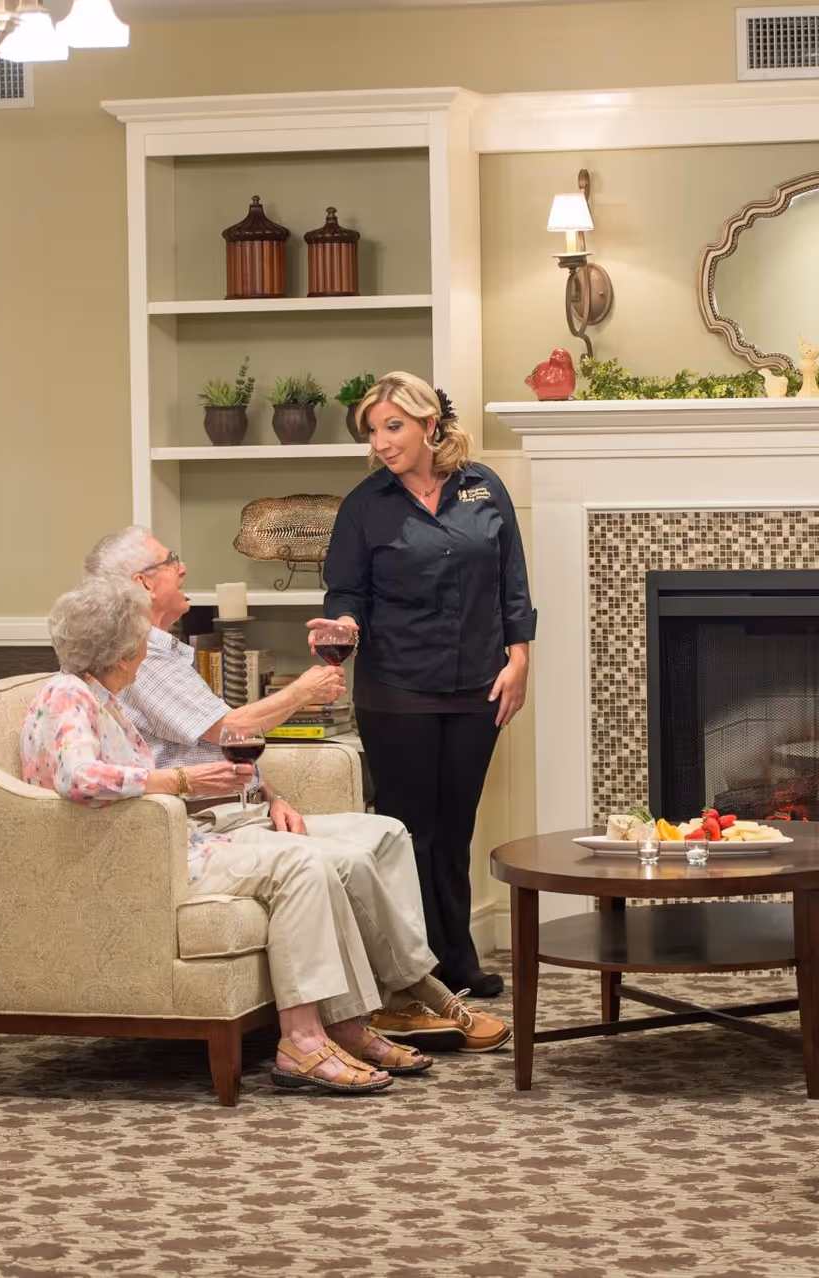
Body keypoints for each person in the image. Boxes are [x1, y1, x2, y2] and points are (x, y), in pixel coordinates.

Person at [82, 527, 507, 1053]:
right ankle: (420, 992)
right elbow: (229, 730)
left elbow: (224, 748)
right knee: (344, 858)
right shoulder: (139, 661)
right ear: (142, 584)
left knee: (388, 833)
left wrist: (273, 794)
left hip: (244, 810)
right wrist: (300, 692)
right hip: (208, 822)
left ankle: (398, 1002)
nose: (184, 568)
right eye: (172, 560)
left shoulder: (167, 653)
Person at [314, 372, 535, 999]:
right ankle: (414, 970)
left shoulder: (483, 487)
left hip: (478, 686)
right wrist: (344, 624)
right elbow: (346, 592)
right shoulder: (364, 506)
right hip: (397, 690)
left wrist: (519, 659)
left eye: (393, 427)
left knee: (456, 825)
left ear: (429, 425)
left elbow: (511, 580)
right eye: (373, 432)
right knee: (408, 829)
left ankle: (457, 959)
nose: (381, 443)